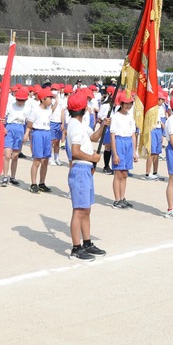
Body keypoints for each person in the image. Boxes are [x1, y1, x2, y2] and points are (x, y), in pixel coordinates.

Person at [64, 90, 107, 260]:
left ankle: (87, 242)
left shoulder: (80, 124)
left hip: (85, 168)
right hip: (80, 168)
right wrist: (92, 158)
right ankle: (76, 248)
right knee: (79, 210)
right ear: (83, 109)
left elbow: (94, 137)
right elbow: (75, 151)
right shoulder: (75, 126)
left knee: (86, 209)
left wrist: (103, 126)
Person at [109, 91, 137, 209]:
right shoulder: (115, 117)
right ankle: (117, 200)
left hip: (128, 143)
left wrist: (134, 152)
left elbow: (133, 135)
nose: (128, 106)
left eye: (130, 103)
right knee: (118, 173)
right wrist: (115, 154)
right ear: (121, 103)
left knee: (125, 173)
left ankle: (122, 197)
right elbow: (112, 136)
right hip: (119, 142)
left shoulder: (130, 117)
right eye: (126, 103)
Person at [0, 86, 30, 187]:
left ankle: (13, 177)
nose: (20, 102)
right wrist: (3, 127)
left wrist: (26, 134)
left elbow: (29, 123)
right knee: (7, 155)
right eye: (18, 100)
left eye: (22, 100)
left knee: (15, 156)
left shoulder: (27, 108)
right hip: (10, 128)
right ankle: (5, 176)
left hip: (20, 129)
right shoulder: (10, 105)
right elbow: (2, 117)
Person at [27, 88, 54, 192]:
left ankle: (42, 183)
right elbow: (30, 124)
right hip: (38, 133)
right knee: (37, 160)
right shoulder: (35, 110)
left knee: (45, 160)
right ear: (43, 99)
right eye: (49, 98)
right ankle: (33, 184)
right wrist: (27, 134)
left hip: (47, 133)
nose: (51, 100)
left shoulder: (49, 110)